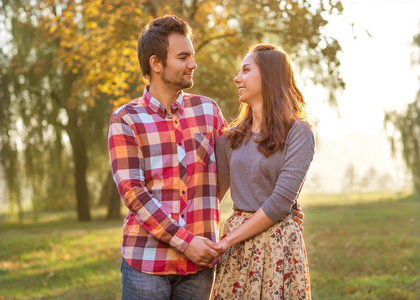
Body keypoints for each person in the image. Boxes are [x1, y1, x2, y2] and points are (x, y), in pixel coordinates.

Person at [108, 15, 305, 299]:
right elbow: (133, 192)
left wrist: (284, 203)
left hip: (199, 267)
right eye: (183, 56)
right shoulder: (126, 119)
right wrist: (186, 242)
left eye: (193, 55)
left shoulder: (208, 111)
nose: (193, 64)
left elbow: (240, 164)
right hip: (147, 263)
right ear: (156, 64)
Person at [212, 44, 315, 299]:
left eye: (246, 70)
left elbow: (281, 201)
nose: (237, 78)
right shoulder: (230, 139)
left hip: (277, 245)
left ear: (269, 77)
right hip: (237, 247)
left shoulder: (298, 132)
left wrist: (228, 240)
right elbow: (211, 194)